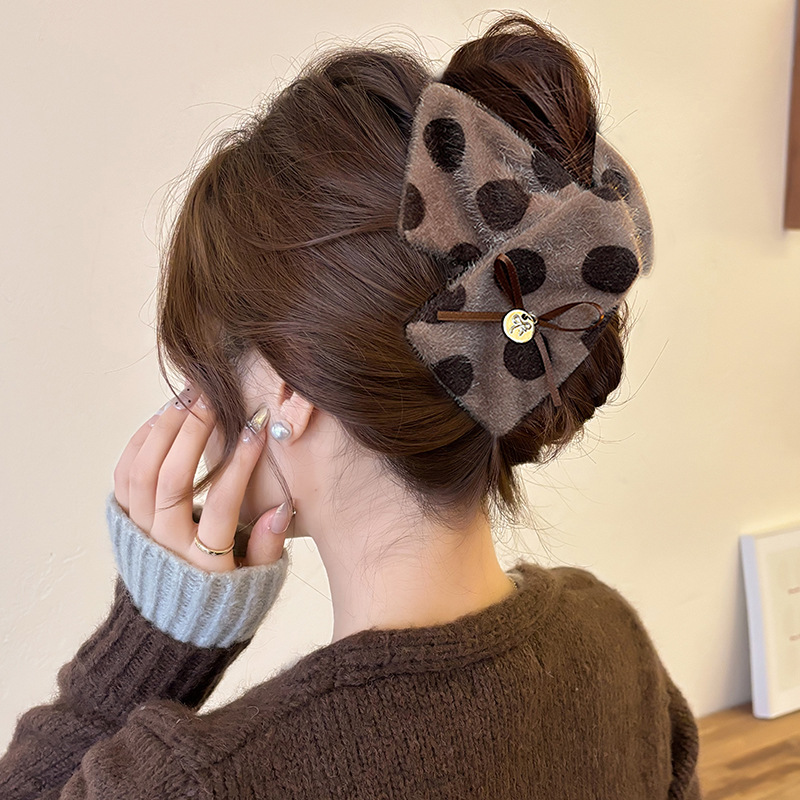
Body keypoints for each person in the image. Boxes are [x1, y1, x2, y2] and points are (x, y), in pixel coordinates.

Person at [0, 12, 702, 799]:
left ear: (287, 387)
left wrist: (157, 636)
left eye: (202, 369)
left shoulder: (197, 784)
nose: (193, 407)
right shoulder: (618, 656)